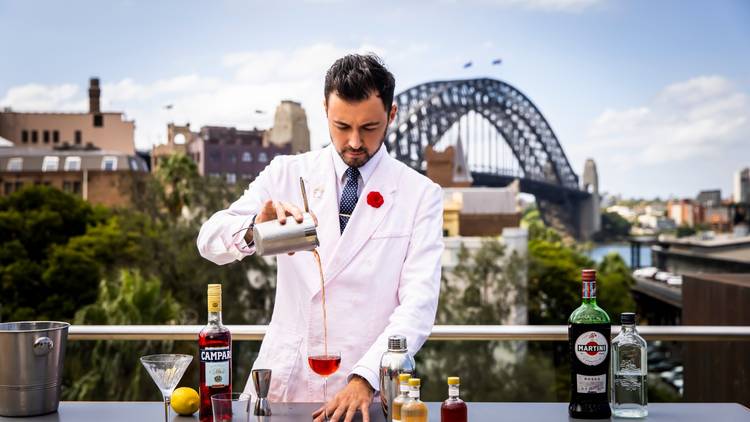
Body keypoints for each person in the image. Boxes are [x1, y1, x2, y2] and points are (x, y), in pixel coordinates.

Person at [197, 54, 443, 422]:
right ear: (324, 110)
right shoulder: (286, 173)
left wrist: (367, 376)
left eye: (370, 127)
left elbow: (418, 306)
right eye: (341, 126)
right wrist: (254, 229)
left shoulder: (420, 194)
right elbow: (209, 242)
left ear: (392, 116)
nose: (354, 142)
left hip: (363, 394)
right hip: (281, 384)